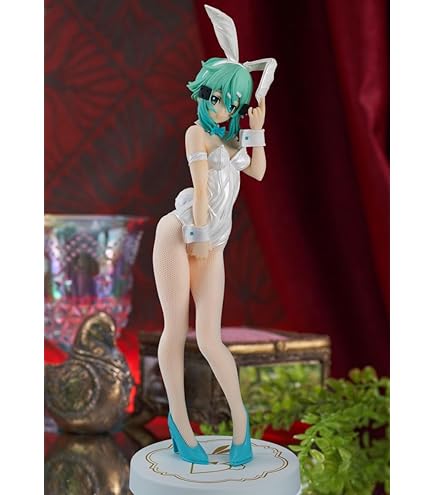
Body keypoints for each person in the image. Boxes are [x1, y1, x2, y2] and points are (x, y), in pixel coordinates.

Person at [152, 4, 276, 466]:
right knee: (174, 328)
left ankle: (241, 424)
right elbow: (201, 190)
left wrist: (257, 131)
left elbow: (258, 172)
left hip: (214, 242)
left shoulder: (231, 139)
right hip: (180, 234)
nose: (217, 106)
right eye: (212, 96)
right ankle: (180, 424)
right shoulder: (197, 135)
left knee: (209, 338)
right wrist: (199, 236)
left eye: (227, 101)